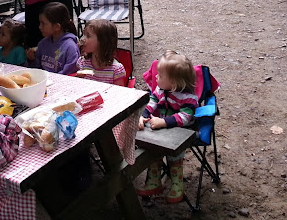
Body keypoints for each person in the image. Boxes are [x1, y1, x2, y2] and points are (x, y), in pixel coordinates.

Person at [137, 50, 198, 204]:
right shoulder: (161, 90)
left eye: (160, 75)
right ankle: (154, 181)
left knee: (174, 155)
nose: (156, 77)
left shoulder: (188, 98)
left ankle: (177, 185)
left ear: (173, 83)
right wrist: (143, 115)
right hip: (161, 129)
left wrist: (164, 122)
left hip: (181, 132)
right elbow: (151, 102)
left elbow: (185, 118)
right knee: (152, 148)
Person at [31, 2, 79, 75]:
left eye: (43, 23)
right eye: (40, 23)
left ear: (57, 27)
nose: (40, 27)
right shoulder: (43, 43)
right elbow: (37, 68)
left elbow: (70, 72)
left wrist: (52, 79)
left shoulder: (70, 47)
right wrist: (32, 60)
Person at [76, 19, 126, 86]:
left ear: (102, 42)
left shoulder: (116, 70)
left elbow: (119, 91)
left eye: (88, 36)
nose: (82, 39)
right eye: (84, 34)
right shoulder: (82, 62)